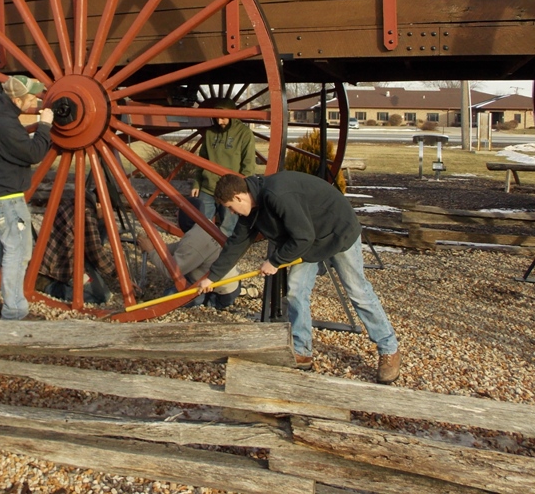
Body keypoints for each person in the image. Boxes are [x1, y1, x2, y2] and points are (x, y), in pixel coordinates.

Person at [199, 172, 401, 383]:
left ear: (239, 197)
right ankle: (302, 350)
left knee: (358, 292)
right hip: (308, 241)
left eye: (231, 207)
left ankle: (389, 348)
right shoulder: (251, 212)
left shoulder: (277, 194)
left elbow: (303, 236)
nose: (232, 212)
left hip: (337, 230)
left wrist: (275, 261)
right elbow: (236, 244)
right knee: (296, 290)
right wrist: (212, 277)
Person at [0, 75, 54, 320]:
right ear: (16, 99)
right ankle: (14, 310)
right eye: (31, 98)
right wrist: (45, 125)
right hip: (7, 197)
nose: (34, 102)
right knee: (17, 252)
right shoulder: (6, 125)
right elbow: (33, 153)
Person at [140, 197, 243, 310]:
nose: (176, 214)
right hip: (231, 283)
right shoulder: (205, 225)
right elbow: (180, 247)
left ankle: (210, 302)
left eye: (179, 211)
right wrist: (157, 246)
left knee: (168, 296)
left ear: (186, 215)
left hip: (220, 294)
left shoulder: (195, 241)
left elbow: (171, 271)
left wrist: (151, 251)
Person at [37, 192, 117, 306]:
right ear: (99, 205)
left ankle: (92, 271)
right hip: (60, 263)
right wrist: (116, 273)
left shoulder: (79, 201)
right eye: (108, 210)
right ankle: (48, 285)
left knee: (102, 224)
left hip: (56, 254)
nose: (109, 215)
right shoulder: (86, 213)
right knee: (102, 296)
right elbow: (96, 252)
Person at [191, 99, 256, 237]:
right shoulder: (210, 133)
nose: (220, 121)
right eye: (217, 118)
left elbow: (248, 164)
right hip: (208, 188)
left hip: (230, 190)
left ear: (232, 115)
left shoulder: (244, 134)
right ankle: (200, 249)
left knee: (227, 230)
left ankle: (221, 250)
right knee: (200, 227)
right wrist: (197, 183)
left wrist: (241, 189)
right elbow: (202, 160)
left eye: (223, 118)